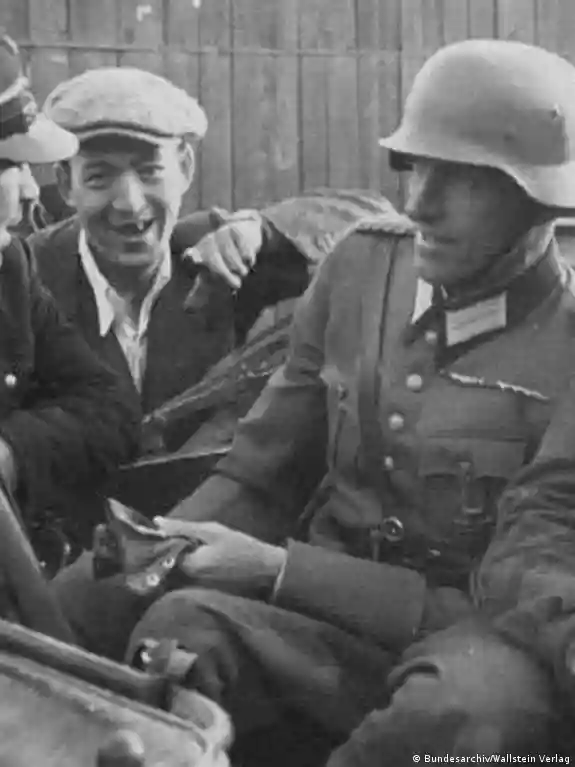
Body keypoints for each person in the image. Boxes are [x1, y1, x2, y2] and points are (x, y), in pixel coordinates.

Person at [54, 39, 575, 763]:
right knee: (164, 628)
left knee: (454, 717)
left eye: (464, 181)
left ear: (539, 201)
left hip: (474, 640)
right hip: (322, 626)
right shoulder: (362, 267)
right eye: (416, 166)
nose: (419, 203)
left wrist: (278, 570)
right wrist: (149, 550)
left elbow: (529, 586)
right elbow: (259, 474)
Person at [29, 66, 308, 426]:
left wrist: (261, 229)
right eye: (99, 177)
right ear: (66, 185)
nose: (130, 203)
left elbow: (364, 223)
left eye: (150, 172)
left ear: (185, 169)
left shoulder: (215, 256)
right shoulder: (27, 276)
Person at [0, 33, 139, 560]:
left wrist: (11, 450)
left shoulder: (9, 270)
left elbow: (110, 406)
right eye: (9, 166)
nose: (30, 192)